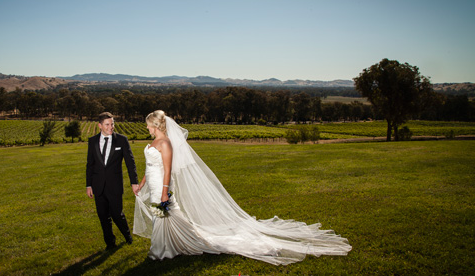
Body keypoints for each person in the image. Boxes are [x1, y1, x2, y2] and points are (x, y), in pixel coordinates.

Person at [134, 110, 351, 265]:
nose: (146, 127)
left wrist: (164, 191)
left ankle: (165, 248)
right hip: (152, 183)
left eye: (148, 124)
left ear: (155, 125)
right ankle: (167, 245)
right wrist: (142, 183)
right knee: (161, 216)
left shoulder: (165, 143)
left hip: (161, 185)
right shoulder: (152, 143)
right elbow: (150, 166)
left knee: (166, 214)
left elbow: (168, 169)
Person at [87, 112, 139, 250]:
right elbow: (90, 165)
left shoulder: (121, 140)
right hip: (98, 186)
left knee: (117, 214)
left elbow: (130, 163)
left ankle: (127, 236)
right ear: (100, 126)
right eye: (107, 124)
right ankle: (110, 244)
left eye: (112, 124)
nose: (111, 127)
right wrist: (88, 185)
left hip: (114, 185)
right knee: (103, 216)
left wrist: (134, 182)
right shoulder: (92, 141)